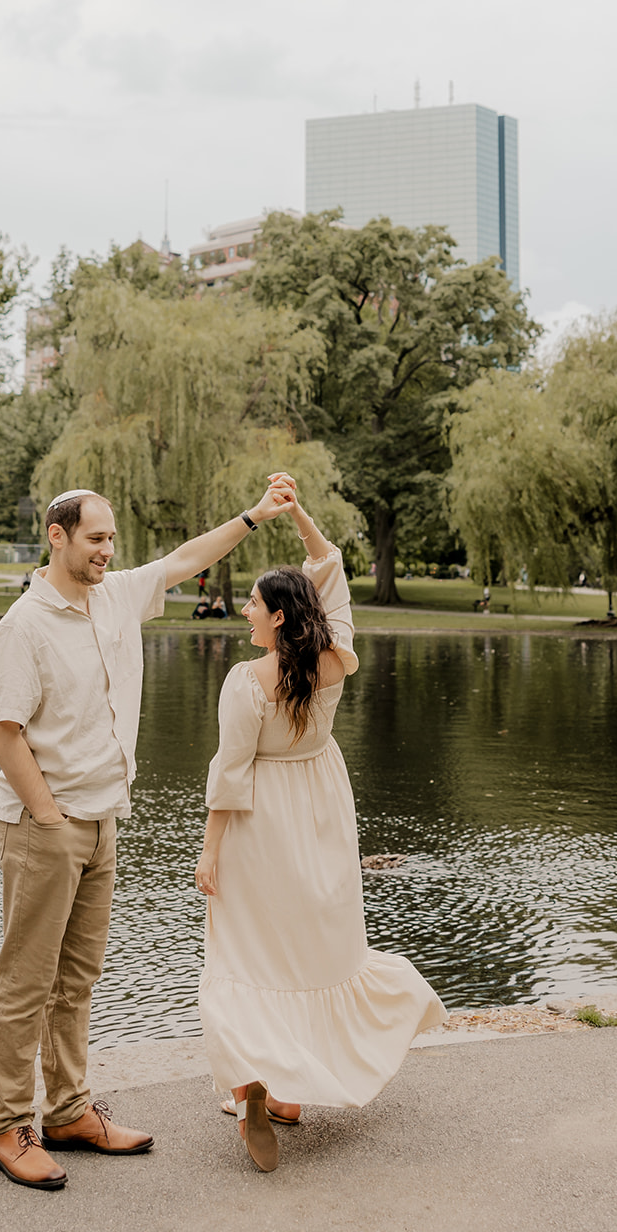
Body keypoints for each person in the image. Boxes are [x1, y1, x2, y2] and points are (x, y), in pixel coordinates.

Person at [0, 480, 290, 1191]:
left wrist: (252, 516)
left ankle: (66, 1112)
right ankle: (7, 1126)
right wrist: (51, 816)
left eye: (111, 539)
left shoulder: (116, 595)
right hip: (46, 825)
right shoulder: (23, 626)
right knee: (26, 983)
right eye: (95, 539)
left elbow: (185, 559)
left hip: (103, 820)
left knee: (77, 979)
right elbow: (4, 732)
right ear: (56, 537)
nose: (107, 551)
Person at [195, 476, 446, 1173]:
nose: (243, 609)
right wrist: (299, 511)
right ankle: (288, 1095)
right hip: (321, 811)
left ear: (278, 616)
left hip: (258, 822)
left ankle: (252, 1089)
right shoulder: (332, 660)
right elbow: (328, 565)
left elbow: (230, 773)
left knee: (248, 955)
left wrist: (209, 852)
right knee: (311, 951)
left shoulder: (247, 680)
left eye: (252, 601)